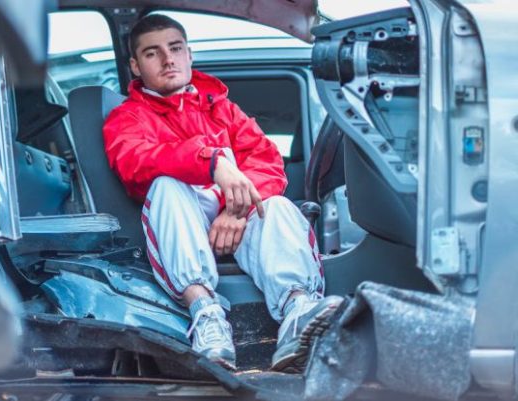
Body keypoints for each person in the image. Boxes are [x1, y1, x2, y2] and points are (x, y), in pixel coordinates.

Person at [103, 14, 345, 372]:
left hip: (234, 223)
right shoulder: (128, 117)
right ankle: (206, 314)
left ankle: (297, 312)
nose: (168, 59)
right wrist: (211, 160)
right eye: (152, 53)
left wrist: (234, 211)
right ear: (136, 66)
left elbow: (267, 163)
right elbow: (135, 165)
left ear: (190, 55)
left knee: (276, 204)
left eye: (175, 48)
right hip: (181, 228)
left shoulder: (223, 110)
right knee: (167, 185)